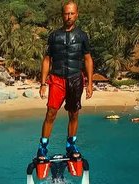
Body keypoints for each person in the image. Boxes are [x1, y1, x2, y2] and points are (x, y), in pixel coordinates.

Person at [36, 1, 94, 159]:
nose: (69, 16)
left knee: (74, 114)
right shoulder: (54, 35)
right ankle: (43, 147)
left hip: (76, 78)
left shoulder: (82, 35)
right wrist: (42, 84)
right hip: (57, 79)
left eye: (72, 13)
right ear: (62, 15)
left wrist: (89, 84)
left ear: (77, 14)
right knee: (50, 113)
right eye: (66, 13)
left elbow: (88, 59)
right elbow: (47, 60)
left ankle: (71, 145)